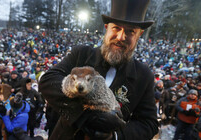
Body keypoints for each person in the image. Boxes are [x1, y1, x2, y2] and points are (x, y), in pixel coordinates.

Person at [39, 0, 159, 139]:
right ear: (106, 27)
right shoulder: (81, 54)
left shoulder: (144, 76)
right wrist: (86, 115)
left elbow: (149, 124)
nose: (121, 37)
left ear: (139, 35)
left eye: (130, 31)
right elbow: (48, 81)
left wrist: (115, 136)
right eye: (116, 28)